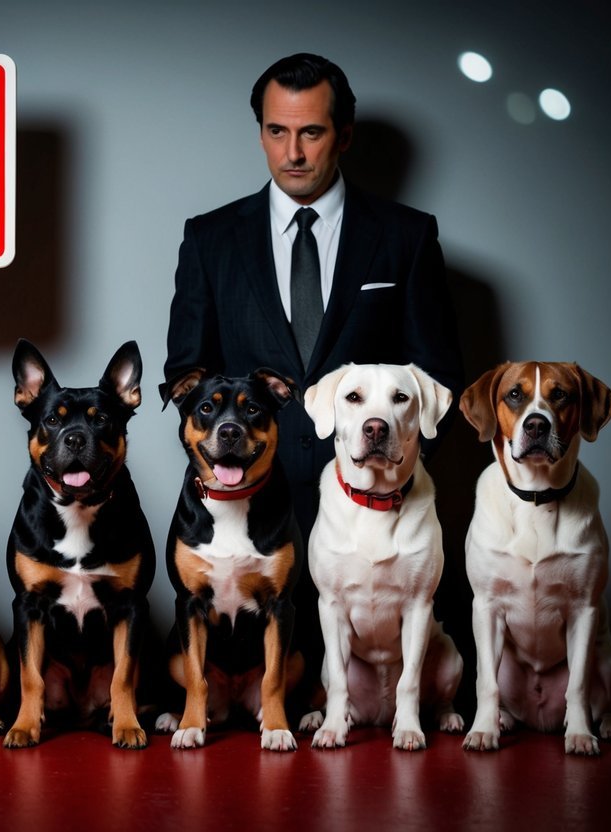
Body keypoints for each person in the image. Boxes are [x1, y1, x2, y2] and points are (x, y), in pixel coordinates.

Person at [163, 52, 463, 711]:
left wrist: (381, 483)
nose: (291, 152)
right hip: (249, 514)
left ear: (344, 135)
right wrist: (229, 477)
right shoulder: (209, 239)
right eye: (276, 131)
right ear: (261, 132)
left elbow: (437, 377)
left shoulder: (405, 238)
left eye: (311, 132)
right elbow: (186, 374)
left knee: (354, 749)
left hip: (367, 523)